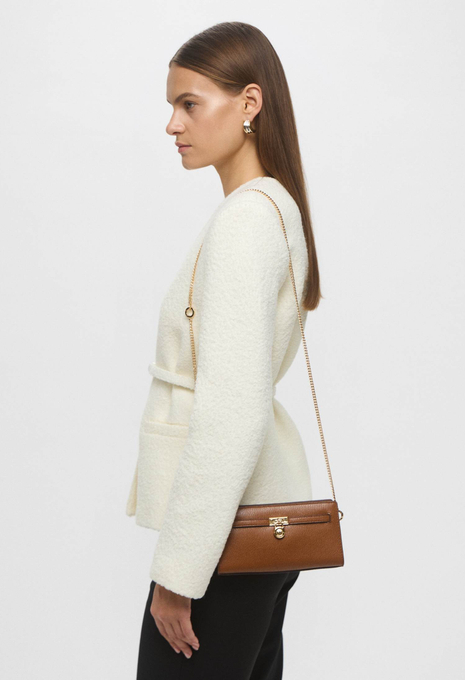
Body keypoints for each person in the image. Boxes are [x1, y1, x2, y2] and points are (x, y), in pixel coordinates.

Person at [125, 20, 323, 679]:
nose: (172, 125)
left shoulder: (246, 222)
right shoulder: (272, 208)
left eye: (189, 103)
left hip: (224, 543)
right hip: (253, 529)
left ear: (248, 104)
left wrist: (178, 575)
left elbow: (231, 412)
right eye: (171, 106)